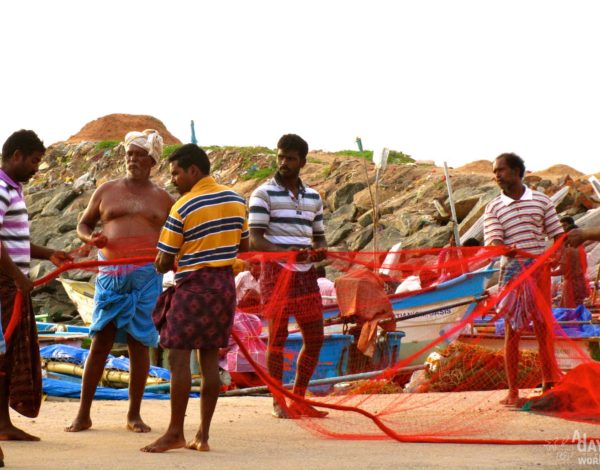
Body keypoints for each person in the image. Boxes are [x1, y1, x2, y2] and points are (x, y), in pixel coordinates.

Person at [142, 143, 249, 453]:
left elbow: (163, 261)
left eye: (176, 173)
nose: (173, 179)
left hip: (193, 287)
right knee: (209, 359)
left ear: (193, 171)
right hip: (223, 287)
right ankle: (202, 435)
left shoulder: (183, 206)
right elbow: (244, 244)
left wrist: (163, 259)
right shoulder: (236, 200)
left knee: (177, 358)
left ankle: (175, 432)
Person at [65, 129, 174, 433]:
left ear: (152, 160)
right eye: (130, 154)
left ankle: (134, 414)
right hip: (110, 275)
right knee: (100, 340)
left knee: (139, 344)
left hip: (146, 278)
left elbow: (173, 238)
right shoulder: (106, 190)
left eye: (140, 155)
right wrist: (91, 238)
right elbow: (84, 223)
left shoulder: (163, 198)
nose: (133, 160)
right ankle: (83, 413)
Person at [0, 130, 72, 441]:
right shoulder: (2, 188)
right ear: (16, 155)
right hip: (5, 284)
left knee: (9, 350)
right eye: (33, 161)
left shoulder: (12, 189)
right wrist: (18, 277)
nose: (35, 168)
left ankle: (2, 423)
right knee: (4, 352)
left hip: (10, 282)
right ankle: (2, 425)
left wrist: (49, 254)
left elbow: (14, 241)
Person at [249, 134, 328, 419]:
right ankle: (278, 400)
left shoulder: (314, 197)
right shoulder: (263, 194)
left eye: (290, 158)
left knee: (315, 336)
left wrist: (319, 251)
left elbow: (319, 238)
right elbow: (254, 241)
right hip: (275, 272)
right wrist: (285, 252)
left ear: (302, 162)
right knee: (278, 337)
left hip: (305, 274)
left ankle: (299, 397)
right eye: (280, 156)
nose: (283, 163)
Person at [484, 152, 563, 406]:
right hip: (512, 272)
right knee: (512, 329)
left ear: (519, 172)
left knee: (543, 326)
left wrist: (555, 256)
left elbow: (557, 236)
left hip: (539, 270)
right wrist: (501, 246)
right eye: (495, 171)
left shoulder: (542, 201)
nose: (497, 175)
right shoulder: (493, 207)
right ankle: (513, 391)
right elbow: (494, 240)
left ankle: (549, 383)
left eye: (502, 170)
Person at [552, 217, 588, 307]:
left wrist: (548, 273)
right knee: (578, 308)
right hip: (581, 282)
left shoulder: (568, 250)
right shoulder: (580, 248)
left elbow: (563, 270)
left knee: (570, 311)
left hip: (571, 285)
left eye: (564, 226)